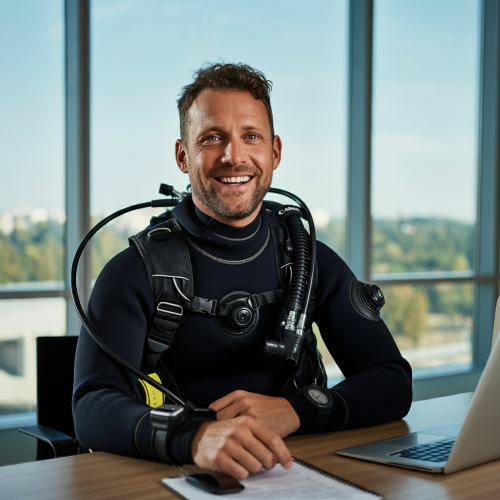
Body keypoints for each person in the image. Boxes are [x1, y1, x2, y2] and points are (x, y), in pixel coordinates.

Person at [73, 63, 412, 479]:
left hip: (300, 471)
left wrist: (295, 411)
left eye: (251, 136)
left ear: (275, 152)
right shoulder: (135, 272)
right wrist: (195, 437)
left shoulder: (308, 259)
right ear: (183, 155)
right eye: (212, 138)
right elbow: (91, 406)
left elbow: (393, 382)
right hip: (184, 476)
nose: (234, 156)